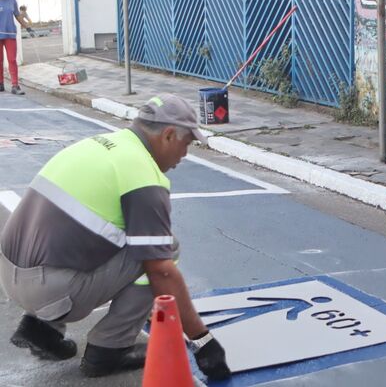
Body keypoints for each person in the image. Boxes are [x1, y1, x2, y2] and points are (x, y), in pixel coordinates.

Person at [0, 94, 231, 380]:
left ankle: (42, 329)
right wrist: (202, 341)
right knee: (163, 251)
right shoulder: (143, 174)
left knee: (112, 232)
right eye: (187, 144)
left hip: (11, 277)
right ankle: (109, 348)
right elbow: (161, 272)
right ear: (169, 135)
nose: (184, 155)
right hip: (51, 290)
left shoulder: (99, 145)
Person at [0, 0, 32, 95]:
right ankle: (1, 84)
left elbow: (18, 16)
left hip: (10, 34)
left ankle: (15, 85)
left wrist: (27, 26)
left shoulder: (12, 0)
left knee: (12, 60)